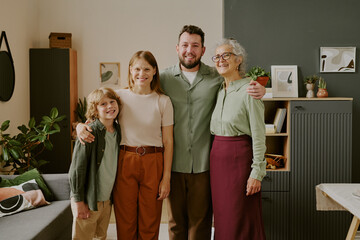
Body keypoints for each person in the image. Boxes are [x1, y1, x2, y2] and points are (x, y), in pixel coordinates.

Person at [160, 25, 266, 240]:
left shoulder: (216, 77)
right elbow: (136, 91)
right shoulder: (163, 78)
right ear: (177, 48)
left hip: (205, 164)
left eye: (195, 46)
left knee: (203, 223)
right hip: (176, 162)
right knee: (175, 224)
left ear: (202, 49)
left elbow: (246, 93)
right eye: (185, 45)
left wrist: (262, 90)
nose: (189, 50)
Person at [77, 50, 174, 240]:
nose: (142, 73)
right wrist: (80, 126)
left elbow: (168, 141)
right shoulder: (119, 97)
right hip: (125, 160)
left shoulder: (163, 101)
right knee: (125, 219)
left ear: (154, 71)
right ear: (130, 70)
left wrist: (166, 177)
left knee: (150, 219)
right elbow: (96, 117)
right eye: (137, 68)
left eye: (147, 69)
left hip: (153, 161)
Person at [209, 38, 266, 239]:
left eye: (226, 55)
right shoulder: (219, 91)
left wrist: (257, 172)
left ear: (238, 60)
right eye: (217, 56)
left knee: (240, 217)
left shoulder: (249, 90)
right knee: (223, 218)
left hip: (239, 160)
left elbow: (259, 134)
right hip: (217, 162)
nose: (220, 60)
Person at [69, 87, 121, 240]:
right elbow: (77, 170)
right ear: (95, 110)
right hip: (88, 198)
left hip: (106, 199)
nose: (110, 106)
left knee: (101, 236)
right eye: (103, 104)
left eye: (112, 102)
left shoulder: (118, 131)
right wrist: (78, 201)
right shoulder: (89, 132)